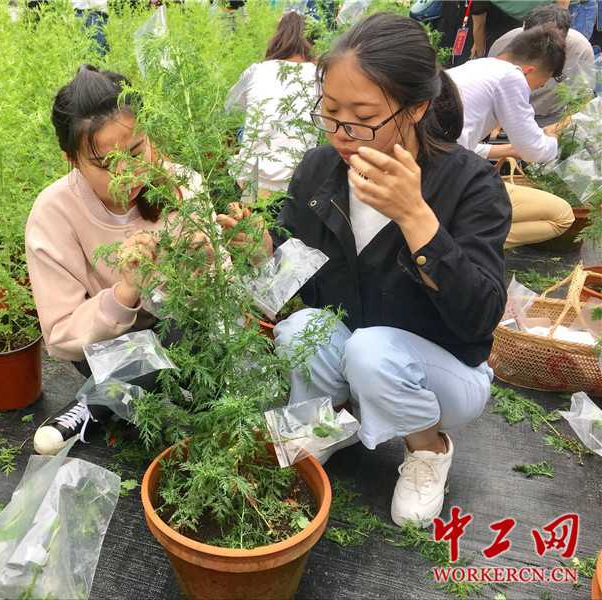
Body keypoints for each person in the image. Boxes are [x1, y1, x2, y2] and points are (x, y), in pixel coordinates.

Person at [220, 12, 511, 528]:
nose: (342, 134)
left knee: (370, 350)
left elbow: (479, 317)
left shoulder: (469, 185)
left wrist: (416, 218)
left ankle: (427, 447)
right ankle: (326, 423)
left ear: (416, 107)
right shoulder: (319, 171)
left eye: (363, 117)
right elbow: (297, 282)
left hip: (444, 374)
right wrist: (263, 251)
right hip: (358, 353)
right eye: (331, 113)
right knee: (300, 329)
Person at [25, 65, 201, 455]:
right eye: (105, 164)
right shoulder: (53, 213)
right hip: (106, 347)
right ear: (72, 159)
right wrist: (124, 292)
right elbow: (61, 336)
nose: (127, 174)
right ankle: (108, 400)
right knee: (152, 355)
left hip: (179, 329)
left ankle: (95, 405)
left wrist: (207, 259)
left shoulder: (182, 184)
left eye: (136, 151)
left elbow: (214, 295)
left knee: (184, 337)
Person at [449, 25, 575, 247]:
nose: (533, 91)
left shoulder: (475, 67)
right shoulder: (511, 77)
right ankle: (461, 247)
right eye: (538, 85)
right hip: (449, 184)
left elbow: (457, 143)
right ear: (528, 71)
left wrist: (508, 149)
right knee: (561, 216)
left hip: (433, 174)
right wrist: (552, 137)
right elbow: (535, 151)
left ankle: (455, 240)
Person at [225, 11, 319, 198]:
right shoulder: (319, 75)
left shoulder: (257, 70)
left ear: (278, 37)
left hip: (250, 179)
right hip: (296, 183)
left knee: (243, 129)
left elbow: (231, 107)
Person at [490, 4, 595, 126]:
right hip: (509, 116)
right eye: (535, 43)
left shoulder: (580, 50)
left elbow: (584, 98)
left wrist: (559, 127)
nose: (545, 50)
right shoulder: (503, 47)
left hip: (554, 118)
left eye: (552, 43)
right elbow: (491, 95)